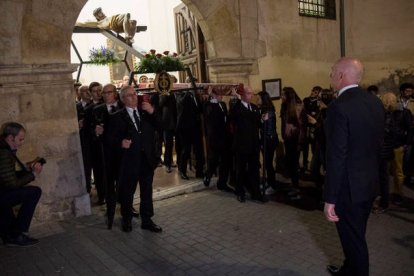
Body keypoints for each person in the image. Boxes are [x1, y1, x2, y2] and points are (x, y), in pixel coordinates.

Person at [324, 57, 385, 276]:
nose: (330, 76)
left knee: (355, 243)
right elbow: (379, 147)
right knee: (356, 234)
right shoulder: (374, 102)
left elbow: (336, 155)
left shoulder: (338, 107)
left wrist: (330, 198)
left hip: (348, 190)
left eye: (332, 72)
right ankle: (347, 270)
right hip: (369, 185)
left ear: (341, 75)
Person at [106, 86, 162, 233]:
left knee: (147, 192)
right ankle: (127, 219)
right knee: (127, 192)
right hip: (129, 162)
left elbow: (162, 126)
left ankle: (147, 220)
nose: (134, 97)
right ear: (123, 99)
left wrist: (153, 111)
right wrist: (120, 143)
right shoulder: (116, 117)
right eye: (130, 95)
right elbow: (109, 141)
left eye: (134, 94)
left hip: (146, 160)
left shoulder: (146, 112)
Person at [0, 122, 43, 247]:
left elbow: (7, 176)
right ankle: (18, 234)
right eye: (20, 139)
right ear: (10, 138)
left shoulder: (5, 149)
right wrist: (33, 174)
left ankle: (9, 234)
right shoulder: (4, 153)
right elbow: (12, 184)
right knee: (34, 192)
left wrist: (27, 169)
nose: (22, 142)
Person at [229, 86, 266, 203]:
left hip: (254, 145)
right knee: (240, 170)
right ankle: (240, 192)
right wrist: (237, 99)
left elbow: (258, 124)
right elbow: (234, 117)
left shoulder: (255, 108)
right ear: (243, 95)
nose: (251, 96)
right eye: (249, 93)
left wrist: (263, 120)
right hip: (242, 145)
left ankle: (256, 193)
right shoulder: (237, 107)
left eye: (252, 94)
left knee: (254, 170)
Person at [203, 87, 233, 191]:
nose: (222, 96)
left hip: (224, 137)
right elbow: (212, 116)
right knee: (213, 160)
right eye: (219, 95)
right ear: (214, 96)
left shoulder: (223, 104)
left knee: (225, 161)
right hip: (215, 138)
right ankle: (208, 175)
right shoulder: (209, 105)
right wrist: (212, 98)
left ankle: (222, 183)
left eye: (222, 95)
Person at [280, 87, 306, 200]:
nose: (281, 97)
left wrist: (300, 143)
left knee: (294, 164)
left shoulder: (298, 106)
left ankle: (297, 189)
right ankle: (293, 185)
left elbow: (302, 126)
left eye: (283, 95)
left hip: (296, 141)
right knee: (290, 163)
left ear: (289, 96)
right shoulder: (285, 106)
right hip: (288, 140)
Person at [257, 91, 279, 190]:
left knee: (268, 164)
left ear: (263, 99)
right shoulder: (263, 110)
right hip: (266, 140)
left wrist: (263, 142)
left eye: (259, 98)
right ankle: (269, 182)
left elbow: (268, 129)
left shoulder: (268, 112)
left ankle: (272, 185)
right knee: (267, 163)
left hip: (269, 140)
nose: (257, 100)